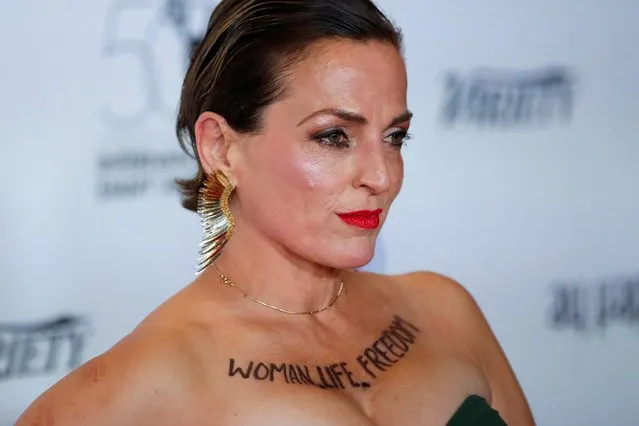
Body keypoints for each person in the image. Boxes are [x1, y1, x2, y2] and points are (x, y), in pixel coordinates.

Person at [16, 0, 536, 424]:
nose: (381, 175)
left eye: (395, 137)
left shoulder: (443, 310)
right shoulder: (141, 387)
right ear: (221, 147)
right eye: (334, 136)